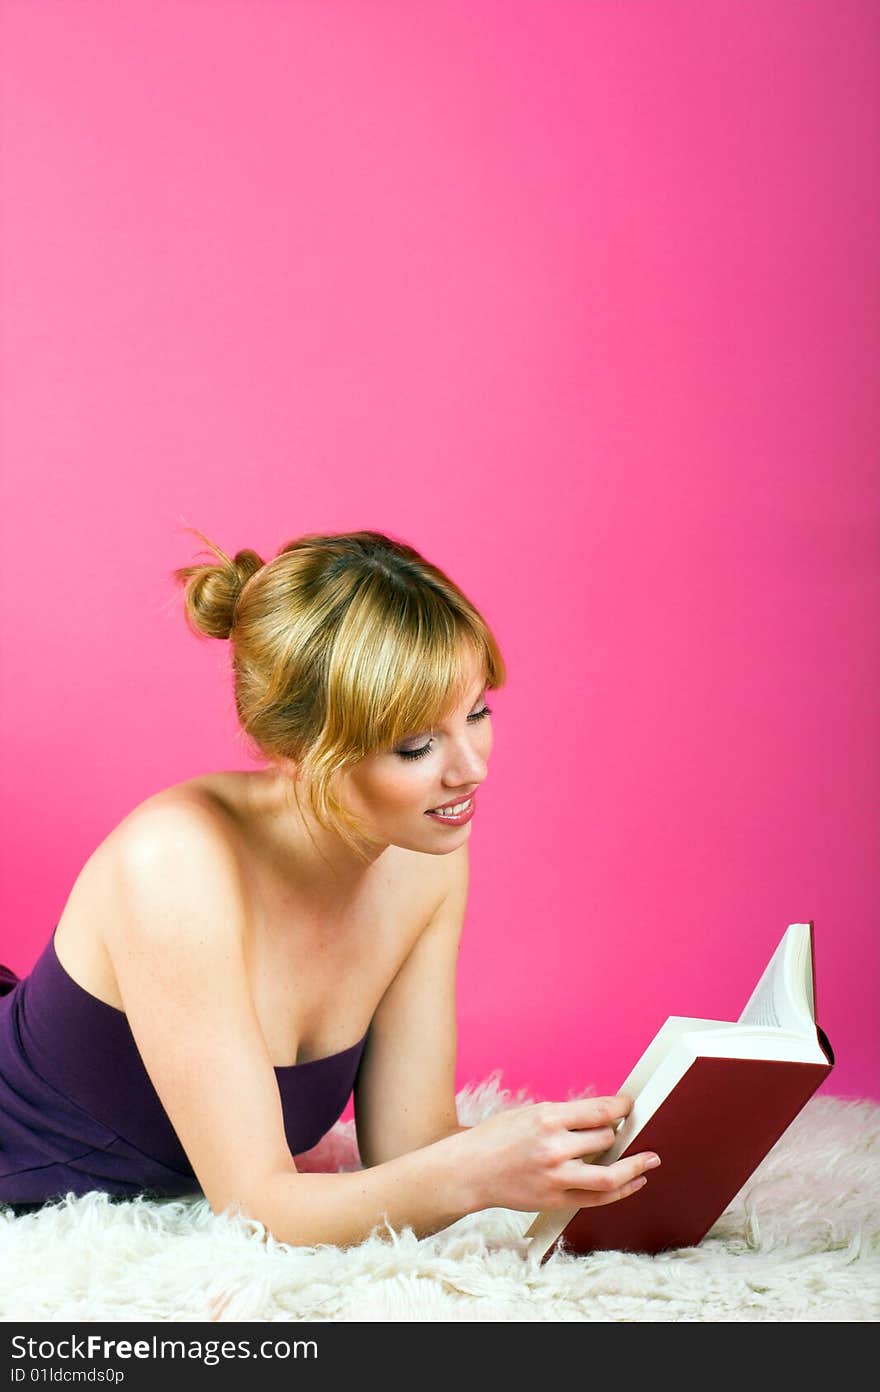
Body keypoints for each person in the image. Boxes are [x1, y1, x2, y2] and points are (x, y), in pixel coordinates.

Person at [0, 528, 660, 1243]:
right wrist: (472, 1172)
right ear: (301, 749)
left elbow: (411, 1148)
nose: (470, 768)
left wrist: (570, 1154)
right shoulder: (174, 863)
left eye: (476, 712)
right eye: (416, 745)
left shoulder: (425, 857)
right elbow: (258, 1211)